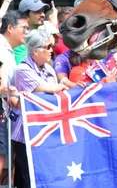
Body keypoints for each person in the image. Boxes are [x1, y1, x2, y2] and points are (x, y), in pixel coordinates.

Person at [12, 28, 68, 188]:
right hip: (26, 134)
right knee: (31, 178)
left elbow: (57, 88)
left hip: (45, 131)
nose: (52, 50)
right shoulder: (23, 70)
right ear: (36, 51)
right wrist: (61, 86)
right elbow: (48, 88)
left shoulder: (48, 68)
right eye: (48, 47)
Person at [0, 10, 28, 175]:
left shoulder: (8, 51)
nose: (26, 32)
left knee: (6, 167)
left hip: (7, 113)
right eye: (23, 28)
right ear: (10, 27)